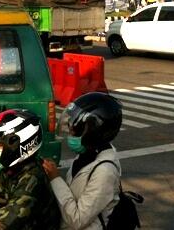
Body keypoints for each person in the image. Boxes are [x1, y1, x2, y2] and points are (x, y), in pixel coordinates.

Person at [42, 92, 123, 230]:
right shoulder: (86, 155)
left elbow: (77, 219)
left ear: (95, 131)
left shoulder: (105, 171)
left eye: (77, 129)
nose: (71, 132)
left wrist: (55, 179)